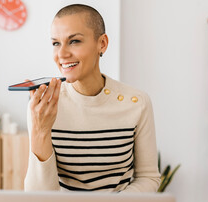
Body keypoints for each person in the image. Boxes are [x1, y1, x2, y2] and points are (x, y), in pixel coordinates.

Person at [24, 4, 160, 192]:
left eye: (74, 41)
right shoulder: (42, 107)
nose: (62, 54)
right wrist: (41, 130)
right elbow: (37, 197)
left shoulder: (137, 102)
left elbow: (148, 177)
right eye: (56, 43)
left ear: (102, 43)